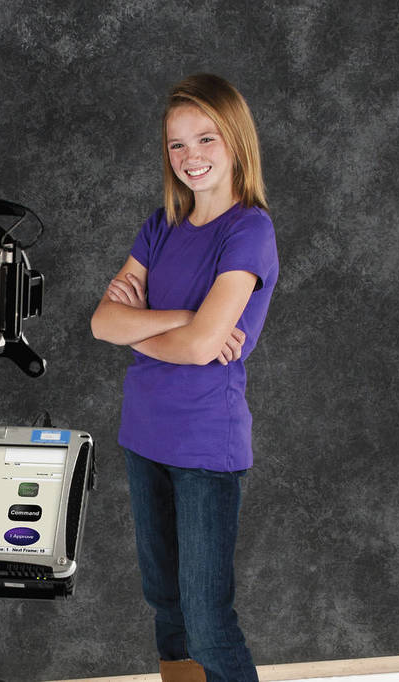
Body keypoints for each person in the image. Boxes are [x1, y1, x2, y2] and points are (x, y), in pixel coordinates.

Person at [91, 73, 278, 682]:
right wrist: (183, 318)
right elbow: (101, 323)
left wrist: (141, 326)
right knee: (166, 607)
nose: (191, 157)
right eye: (177, 145)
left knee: (206, 616)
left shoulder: (249, 230)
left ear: (236, 143)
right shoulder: (160, 224)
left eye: (206, 140)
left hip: (205, 445)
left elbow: (202, 350)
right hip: (143, 435)